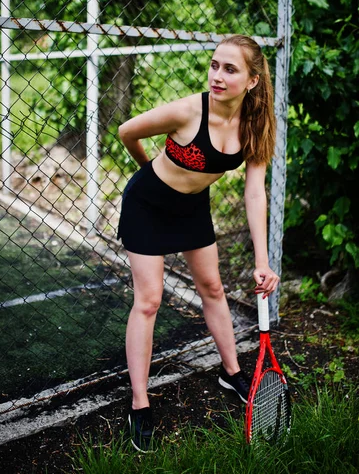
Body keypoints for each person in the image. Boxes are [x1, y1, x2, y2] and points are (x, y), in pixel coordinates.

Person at [117, 34, 280, 452]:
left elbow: (255, 192)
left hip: (193, 208)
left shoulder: (255, 124)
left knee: (213, 289)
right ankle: (139, 403)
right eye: (214, 66)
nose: (218, 76)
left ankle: (231, 371)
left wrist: (263, 261)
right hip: (148, 205)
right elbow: (126, 131)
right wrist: (149, 173)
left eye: (230, 69)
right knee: (149, 300)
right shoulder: (189, 110)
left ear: (253, 81)